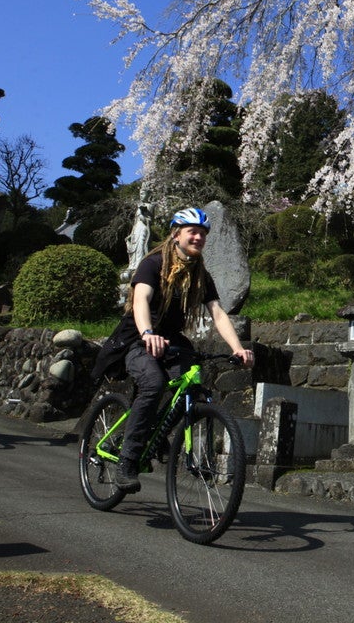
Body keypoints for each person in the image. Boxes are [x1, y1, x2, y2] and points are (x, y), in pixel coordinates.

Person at [110, 206, 254, 492]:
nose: (199, 237)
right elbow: (140, 301)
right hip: (137, 337)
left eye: (203, 233)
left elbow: (218, 313)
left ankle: (156, 432)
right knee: (153, 383)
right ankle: (126, 461)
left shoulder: (200, 274)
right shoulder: (153, 263)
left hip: (171, 340)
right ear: (176, 235)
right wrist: (147, 333)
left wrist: (238, 347)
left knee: (191, 385)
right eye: (192, 232)